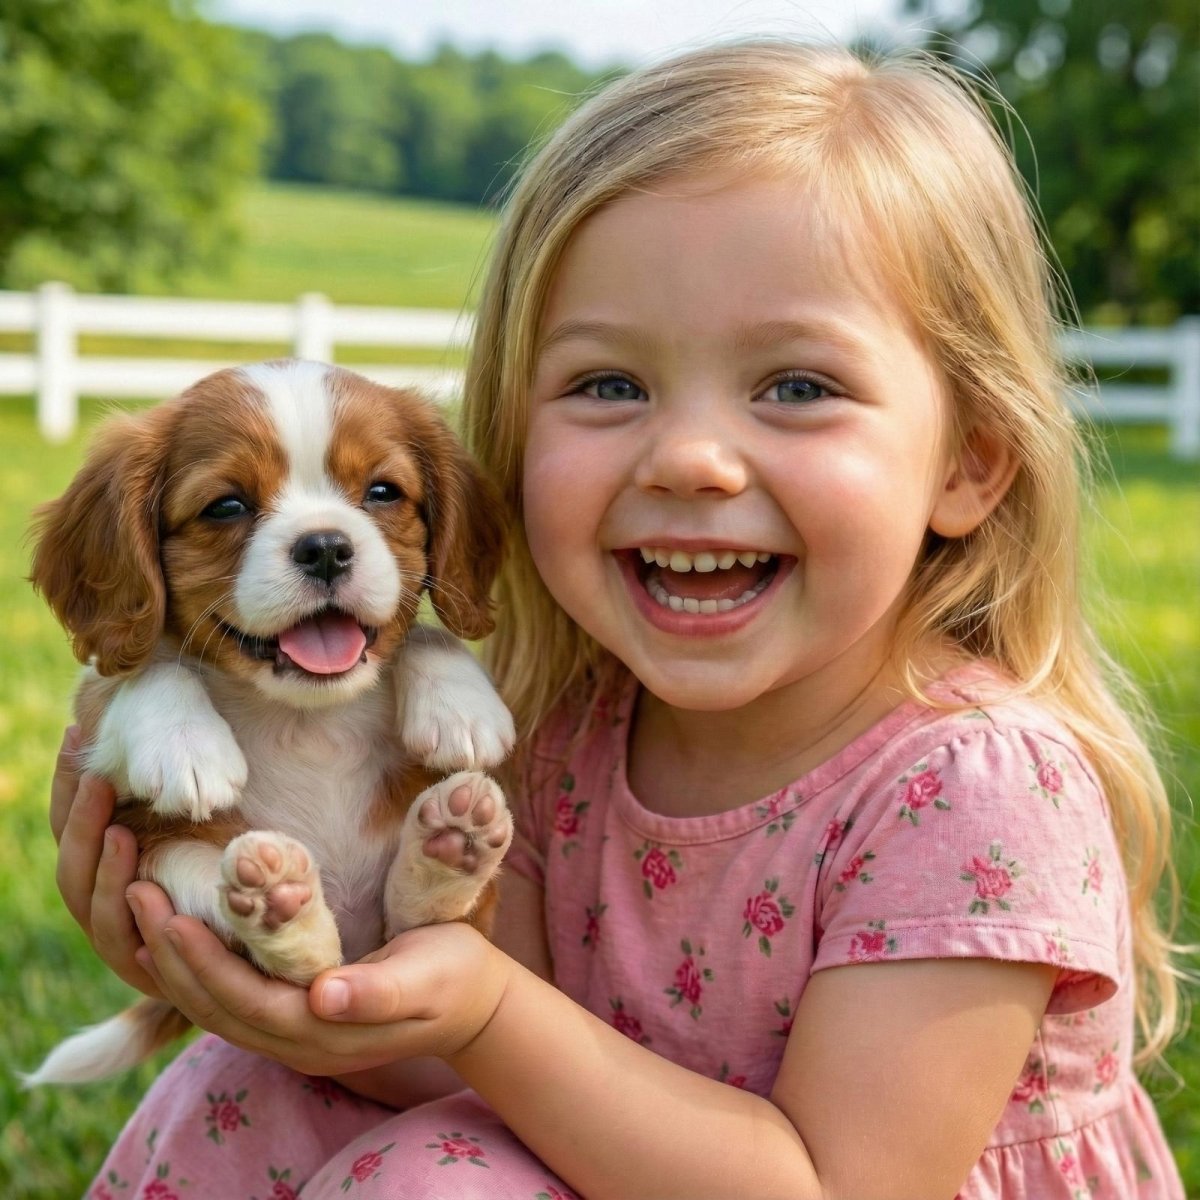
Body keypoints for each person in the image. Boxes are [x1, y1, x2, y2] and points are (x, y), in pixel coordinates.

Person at [48, 40, 1185, 1200]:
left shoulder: (973, 787)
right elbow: (476, 1063)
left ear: (969, 464)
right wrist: (263, 997)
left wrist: (492, 1012)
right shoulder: (571, 730)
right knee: (252, 1091)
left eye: (797, 386)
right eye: (609, 385)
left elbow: (836, 1187)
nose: (691, 458)